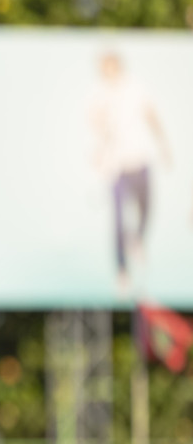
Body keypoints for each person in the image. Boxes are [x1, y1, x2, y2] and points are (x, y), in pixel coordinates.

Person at [87, 51, 173, 295]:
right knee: (118, 221)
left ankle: (137, 240)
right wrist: (100, 148)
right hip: (116, 167)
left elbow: (151, 116)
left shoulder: (135, 88)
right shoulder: (98, 95)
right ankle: (122, 271)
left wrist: (163, 145)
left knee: (146, 208)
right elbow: (97, 127)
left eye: (111, 67)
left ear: (119, 66)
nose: (109, 73)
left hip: (140, 159)